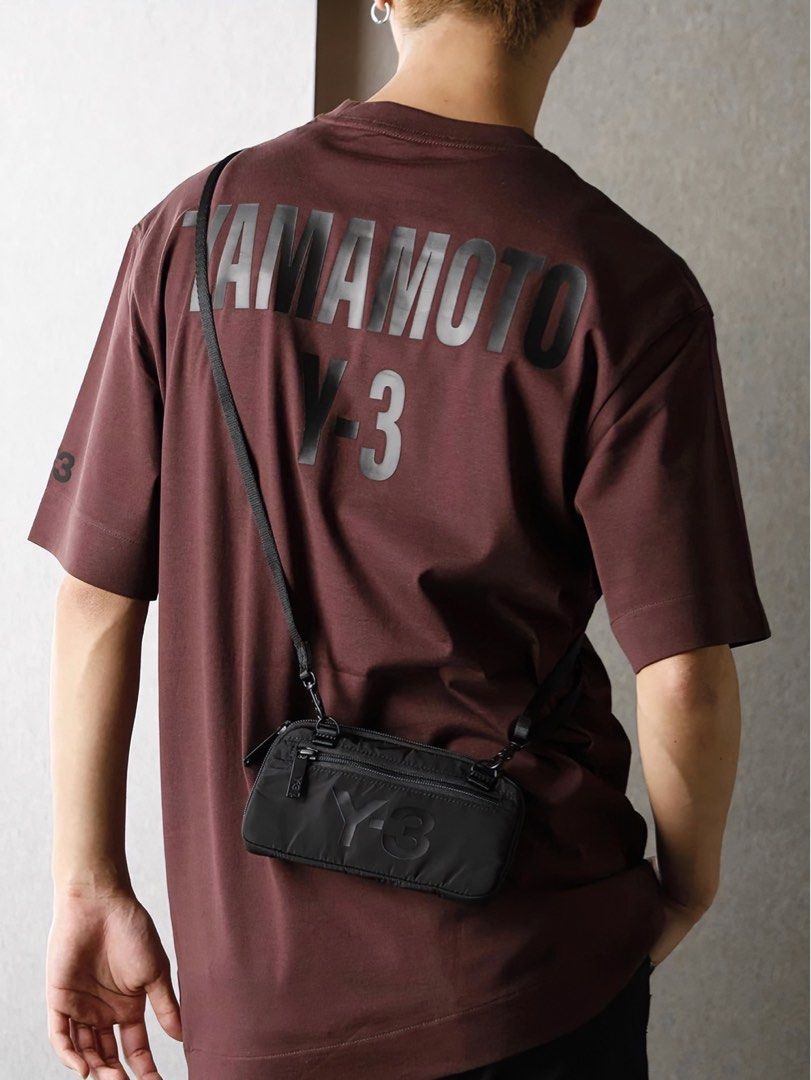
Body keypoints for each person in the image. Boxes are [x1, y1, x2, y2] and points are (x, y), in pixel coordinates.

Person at [29, 1, 771, 1077]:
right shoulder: (628, 285)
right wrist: (688, 888)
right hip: (530, 979)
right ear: (585, 2)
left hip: (257, 1003)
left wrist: (89, 884)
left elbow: (98, 597)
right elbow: (684, 677)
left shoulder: (190, 230)